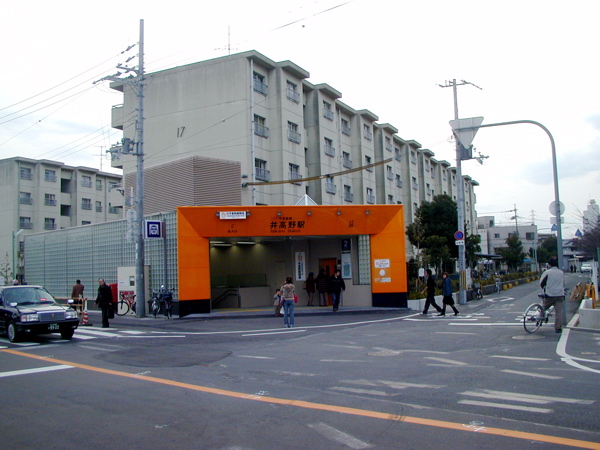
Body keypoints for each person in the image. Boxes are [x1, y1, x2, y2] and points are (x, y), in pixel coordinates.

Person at [540, 257, 565, 333]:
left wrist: (544, 289)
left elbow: (541, 283)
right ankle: (558, 328)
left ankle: (540, 320)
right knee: (558, 312)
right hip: (560, 295)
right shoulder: (561, 272)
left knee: (543, 308)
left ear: (549, 264)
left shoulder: (547, 272)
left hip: (550, 295)